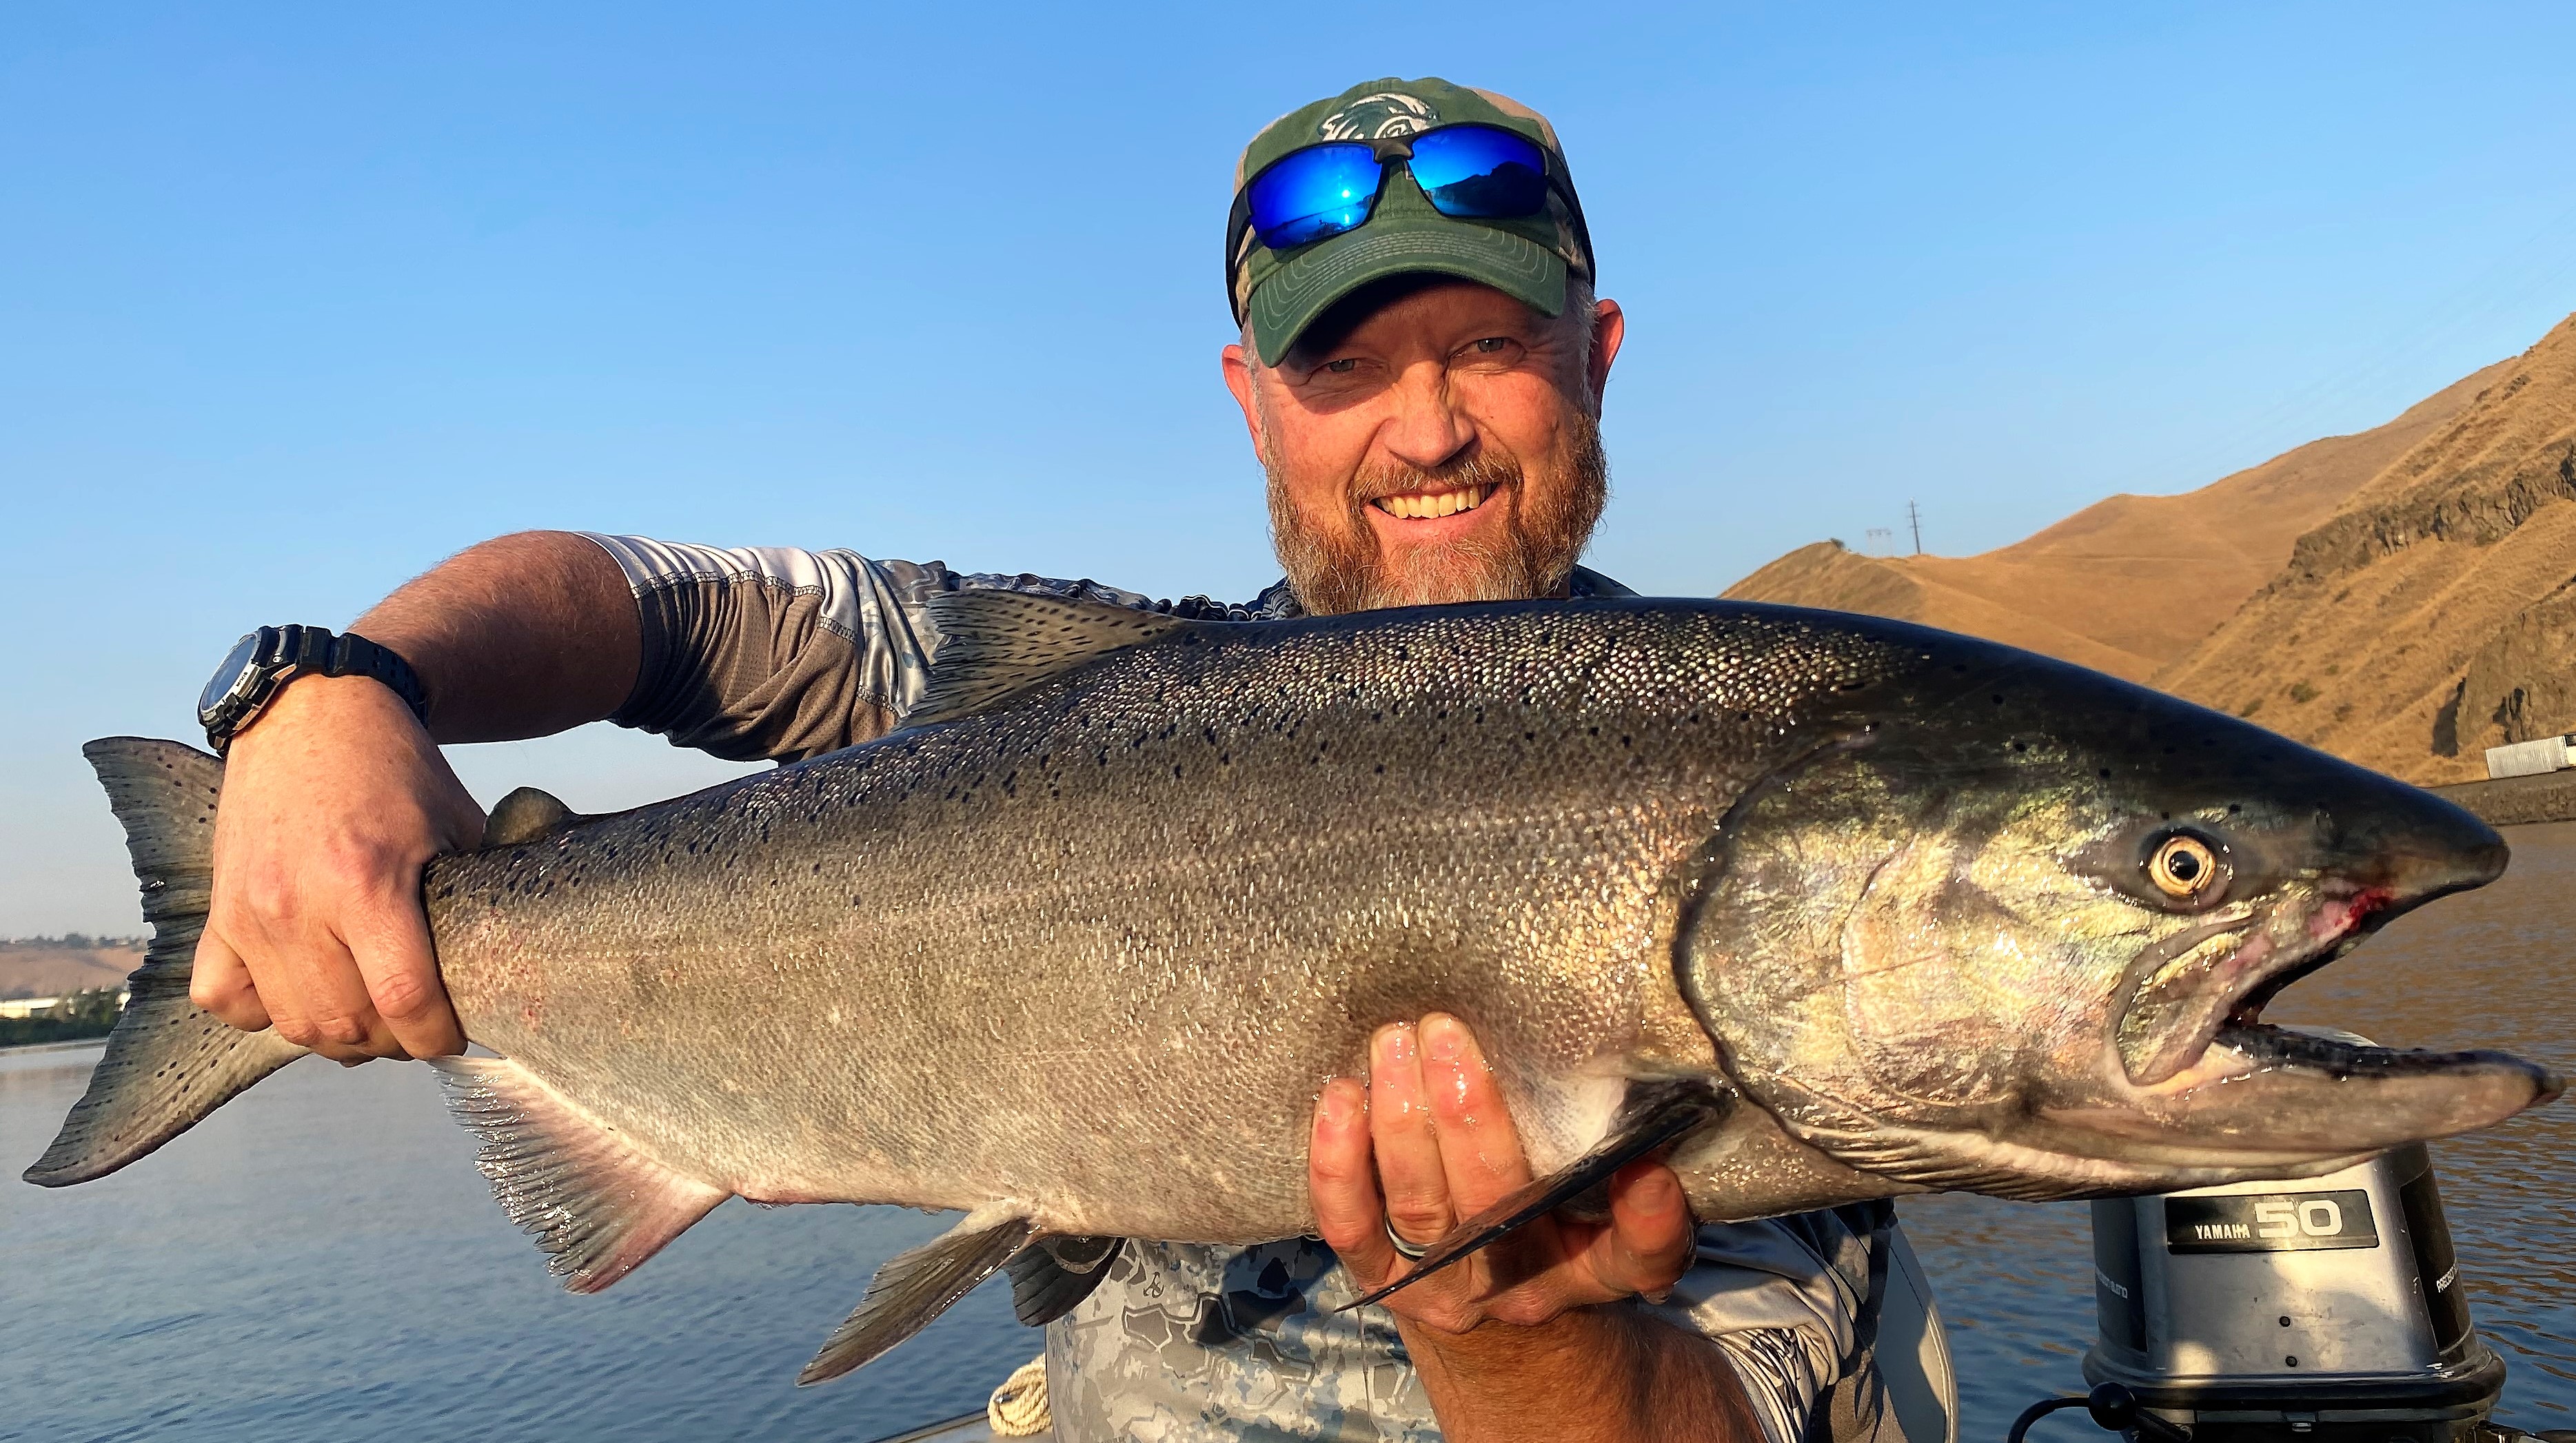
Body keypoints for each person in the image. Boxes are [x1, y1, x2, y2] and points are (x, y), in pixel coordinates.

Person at [185, 76, 1955, 1443]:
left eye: (1488, 348)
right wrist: (335, 688)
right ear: (1250, 403)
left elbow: (1736, 1404)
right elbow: (656, 602)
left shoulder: (1762, 779)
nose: (1426, 431)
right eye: (1342, 366)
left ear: (1596, 358)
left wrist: (1524, 1330)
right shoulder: (1059, 687)